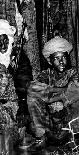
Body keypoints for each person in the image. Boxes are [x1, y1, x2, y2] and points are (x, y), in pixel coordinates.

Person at [27, 37, 79, 151]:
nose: (61, 61)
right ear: (50, 61)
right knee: (33, 97)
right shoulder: (45, 74)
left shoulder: (72, 73)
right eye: (56, 58)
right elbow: (32, 89)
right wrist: (64, 91)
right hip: (49, 121)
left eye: (64, 57)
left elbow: (77, 89)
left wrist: (52, 98)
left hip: (68, 119)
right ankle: (42, 137)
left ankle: (74, 136)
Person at [0, 19, 30, 153]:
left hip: (12, 106)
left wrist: (23, 109)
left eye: (4, 39)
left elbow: (24, 84)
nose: (2, 45)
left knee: (7, 146)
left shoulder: (18, 57)